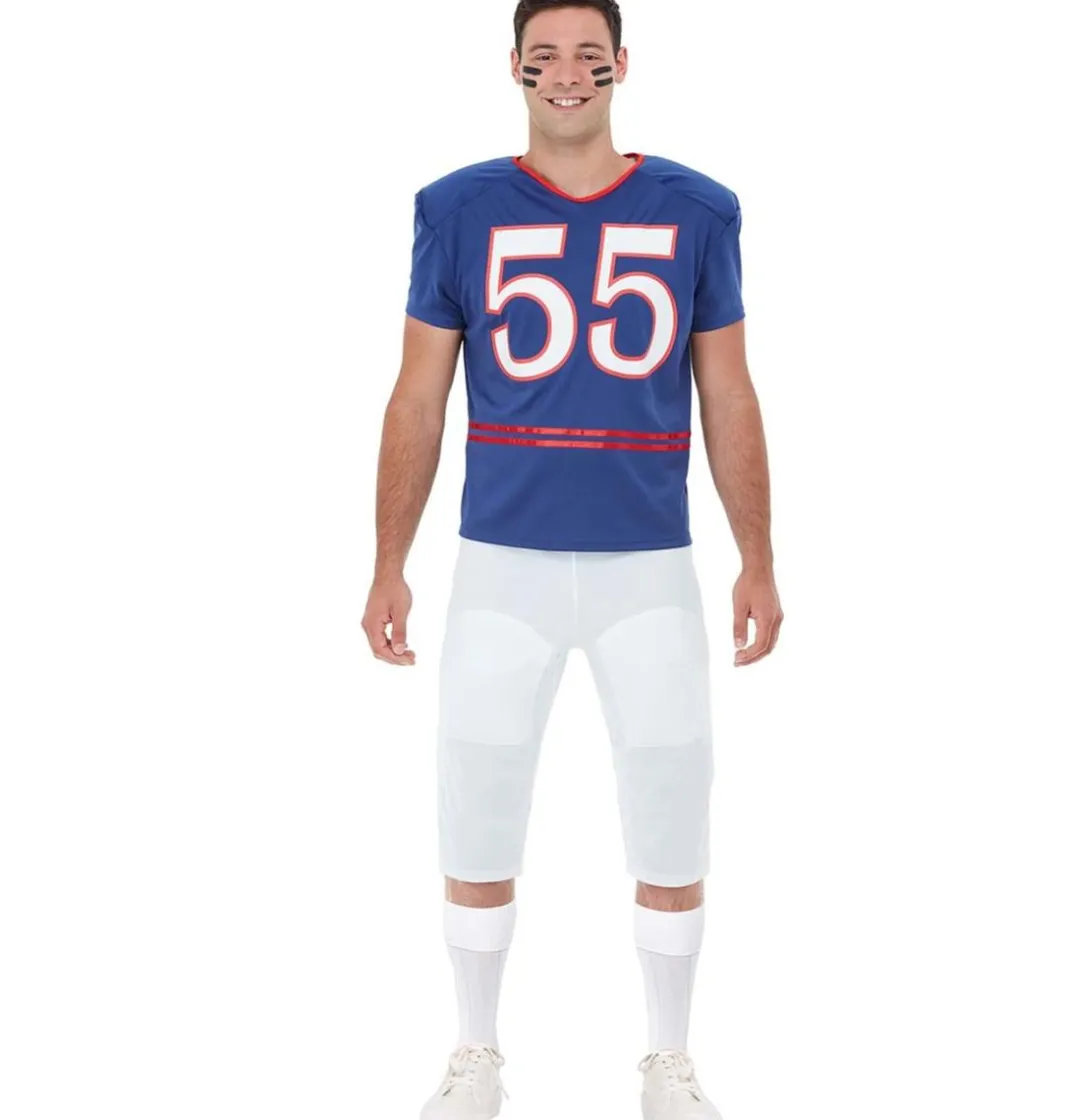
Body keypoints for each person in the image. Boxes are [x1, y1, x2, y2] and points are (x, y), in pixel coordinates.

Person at [362, 1, 782, 1115]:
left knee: (671, 802)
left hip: (650, 564)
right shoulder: (456, 208)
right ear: (512, 66)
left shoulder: (696, 208)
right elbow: (419, 395)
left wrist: (757, 555)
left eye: (588, 55)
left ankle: (669, 1058)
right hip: (502, 563)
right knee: (478, 800)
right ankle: (475, 1050)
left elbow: (728, 391)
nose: (566, 74)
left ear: (622, 66)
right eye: (544, 55)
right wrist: (388, 560)